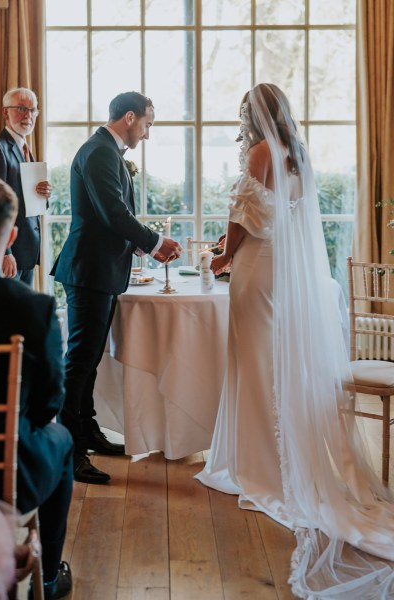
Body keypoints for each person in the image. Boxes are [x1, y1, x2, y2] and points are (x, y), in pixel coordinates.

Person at [195, 83, 394, 597]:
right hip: (282, 269)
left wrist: (222, 257)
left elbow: (241, 217)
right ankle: (266, 456)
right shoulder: (297, 154)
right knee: (270, 362)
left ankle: (261, 466)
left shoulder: (260, 151)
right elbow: (280, 216)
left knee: (254, 362)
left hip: (255, 269)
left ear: (256, 115)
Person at [51, 91, 182, 485]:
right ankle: (69, 454)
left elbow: (113, 215)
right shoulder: (100, 153)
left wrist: (143, 245)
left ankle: (87, 432)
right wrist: (155, 243)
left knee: (89, 361)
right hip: (89, 271)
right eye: (147, 124)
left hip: (100, 271)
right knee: (78, 363)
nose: (147, 134)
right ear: (129, 117)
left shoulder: (106, 152)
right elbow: (114, 213)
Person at [0, 176, 73, 600]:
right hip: (3, 472)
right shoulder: (33, 307)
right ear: (12, 235)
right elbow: (48, 404)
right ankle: (47, 577)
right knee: (61, 439)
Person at [0, 87, 52, 286]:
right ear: (5, 112)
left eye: (32, 110)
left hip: (26, 253)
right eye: (21, 108)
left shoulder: (24, 147)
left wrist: (44, 195)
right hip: (9, 255)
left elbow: (25, 197)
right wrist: (4, 252)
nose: (28, 115)